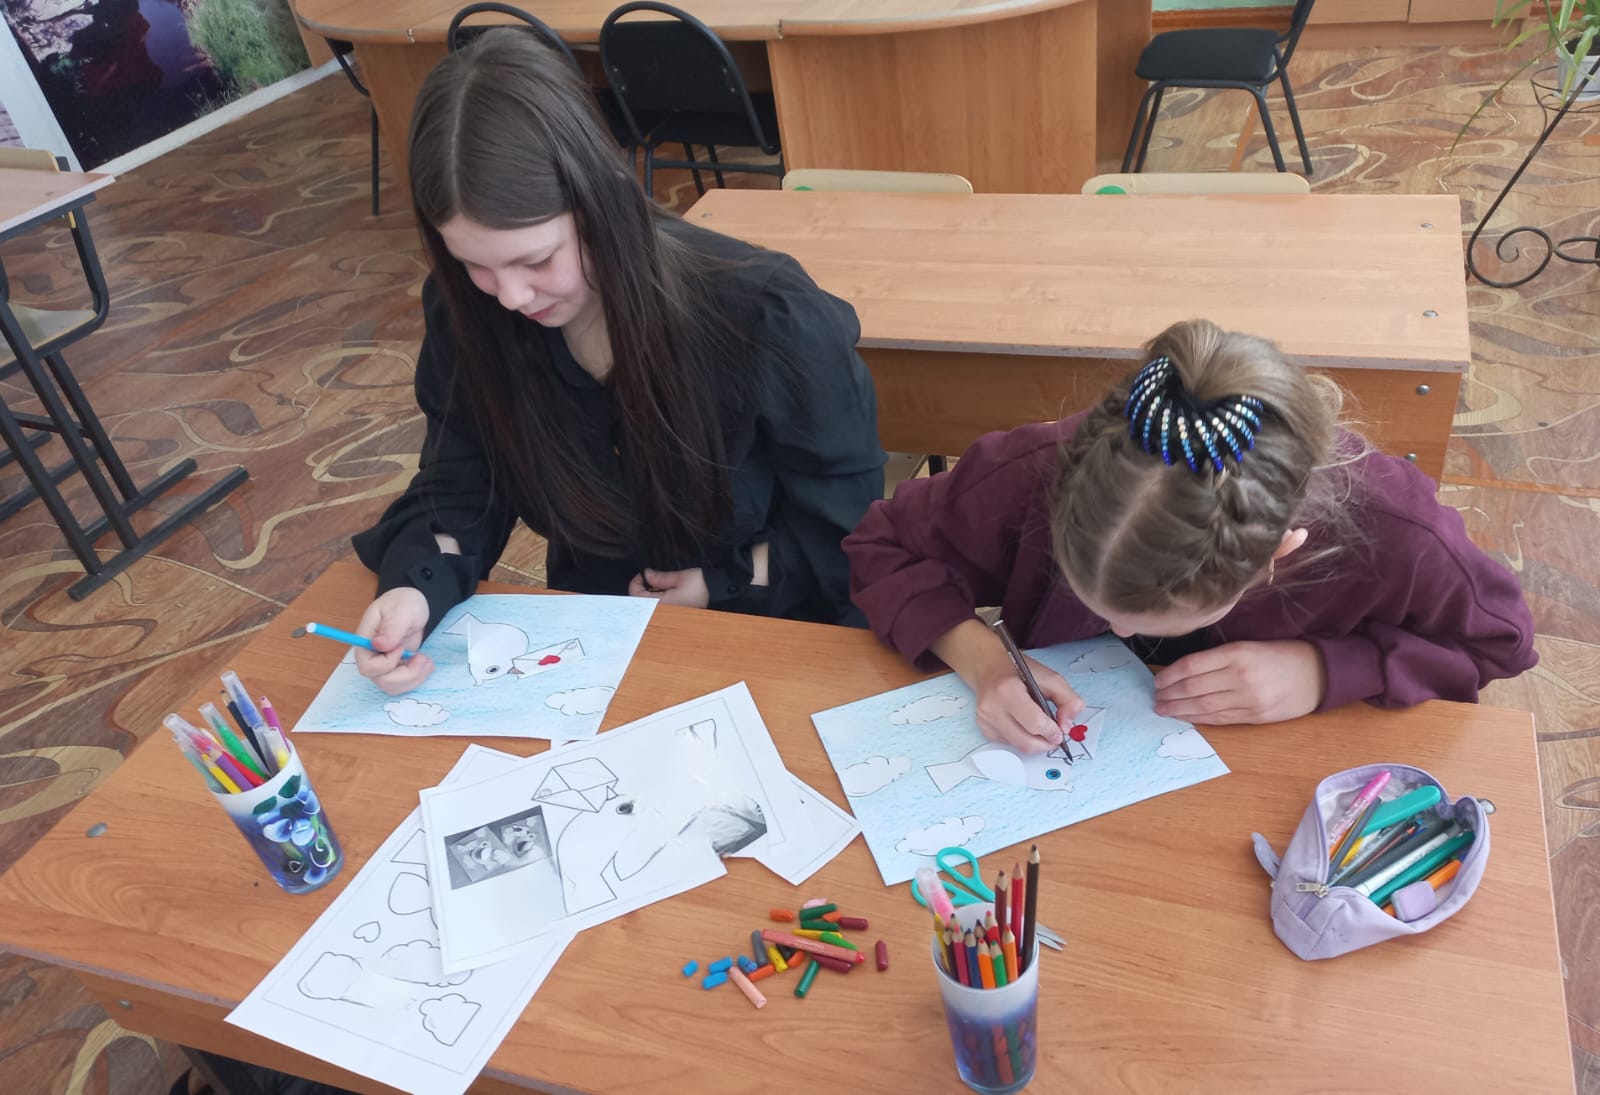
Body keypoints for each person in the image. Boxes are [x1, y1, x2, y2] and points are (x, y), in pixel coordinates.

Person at [350, 30, 884, 694]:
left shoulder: (763, 317)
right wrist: (416, 588)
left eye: (536, 259)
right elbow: (459, 486)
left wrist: (720, 582)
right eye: (473, 264)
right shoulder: (469, 310)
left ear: (599, 203)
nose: (510, 296)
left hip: (774, 635)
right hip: (595, 650)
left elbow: (845, 534)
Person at [845, 319, 1537, 752]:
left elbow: (1499, 643)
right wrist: (983, 660)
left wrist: (1324, 670)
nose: (1115, 630)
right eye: (1099, 604)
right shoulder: (1037, 469)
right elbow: (882, 544)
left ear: (1276, 554)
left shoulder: (1401, 535)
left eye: (1139, 617)